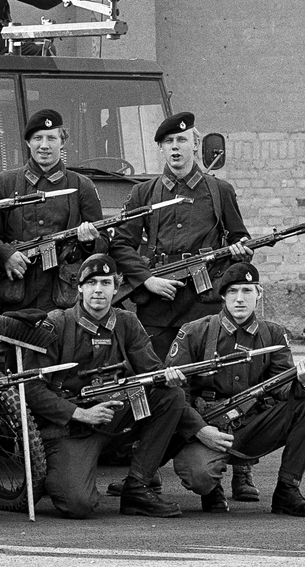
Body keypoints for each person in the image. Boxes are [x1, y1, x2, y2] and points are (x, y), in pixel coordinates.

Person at [107, 112, 258, 500]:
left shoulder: (219, 191)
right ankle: (147, 474)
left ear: (196, 145)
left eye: (183, 141)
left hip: (204, 305)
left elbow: (240, 244)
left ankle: (240, 471)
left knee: (223, 381)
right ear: (161, 148)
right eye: (168, 143)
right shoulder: (144, 193)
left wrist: (235, 257)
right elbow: (121, 244)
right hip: (158, 306)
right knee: (157, 384)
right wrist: (146, 279)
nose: (176, 149)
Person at [22, 254, 192, 519]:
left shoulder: (127, 322)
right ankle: (53, 476)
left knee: (169, 395)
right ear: (79, 287)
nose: (98, 290)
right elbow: (32, 387)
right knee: (78, 504)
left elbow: (152, 372)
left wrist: (166, 376)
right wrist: (80, 414)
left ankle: (138, 485)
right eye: (91, 283)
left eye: (105, 282)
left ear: (116, 287)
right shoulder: (57, 323)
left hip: (116, 415)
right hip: (72, 426)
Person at [168, 263, 305, 517]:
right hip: (207, 425)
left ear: (259, 293)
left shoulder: (273, 334)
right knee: (199, 475)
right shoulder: (195, 332)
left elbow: (282, 387)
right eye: (232, 292)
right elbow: (175, 395)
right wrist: (199, 430)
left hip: (252, 425)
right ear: (222, 296)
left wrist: (303, 382)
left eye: (247, 291)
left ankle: (287, 489)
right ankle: (211, 488)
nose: (240, 299)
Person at [0, 110, 105, 312]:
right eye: (37, 138)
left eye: (51, 138)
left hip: (63, 296)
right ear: (27, 143)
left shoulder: (81, 186)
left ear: (62, 141)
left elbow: (103, 241)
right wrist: (5, 254)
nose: (44, 145)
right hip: (15, 291)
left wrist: (90, 242)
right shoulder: (4, 183)